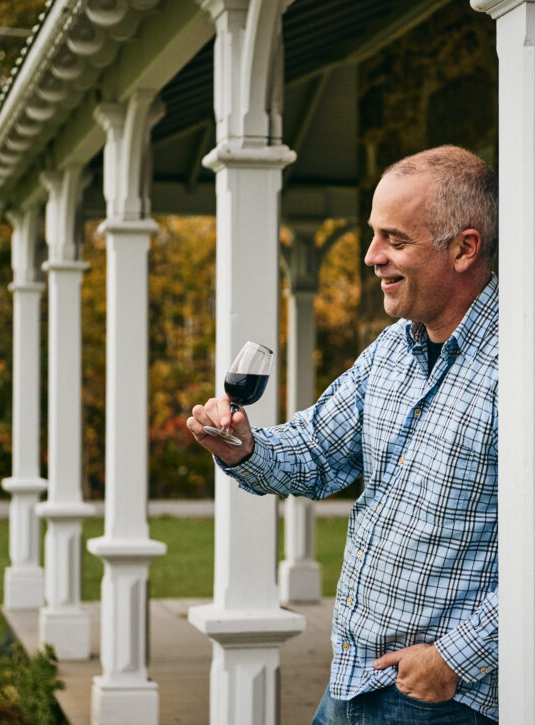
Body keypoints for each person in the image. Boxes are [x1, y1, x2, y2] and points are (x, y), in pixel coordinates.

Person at [188, 145, 499, 724]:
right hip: (351, 684)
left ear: (464, 249)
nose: (371, 256)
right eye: (374, 234)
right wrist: (246, 447)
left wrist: (453, 659)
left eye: (395, 240)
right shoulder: (391, 351)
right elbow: (313, 450)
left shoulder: (521, 368)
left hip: (440, 703)